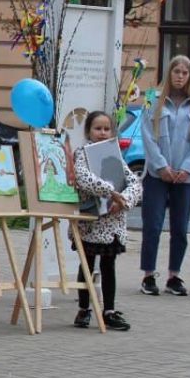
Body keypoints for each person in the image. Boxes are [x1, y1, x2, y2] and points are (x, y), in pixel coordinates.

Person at [72, 111, 141, 331]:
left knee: (108, 265)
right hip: (91, 220)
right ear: (88, 131)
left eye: (106, 129)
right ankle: (84, 308)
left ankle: (109, 310)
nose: (102, 133)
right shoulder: (81, 153)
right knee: (87, 263)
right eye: (97, 129)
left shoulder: (116, 154)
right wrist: (111, 191)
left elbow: (134, 183)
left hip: (112, 222)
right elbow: (84, 178)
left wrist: (123, 201)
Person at [139, 55, 190, 297]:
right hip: (157, 175)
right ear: (169, 73)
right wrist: (161, 166)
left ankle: (174, 276)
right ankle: (148, 275)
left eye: (185, 72)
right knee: (152, 225)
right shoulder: (152, 99)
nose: (180, 76)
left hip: (185, 177)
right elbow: (147, 135)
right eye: (176, 71)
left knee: (180, 228)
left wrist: (188, 168)